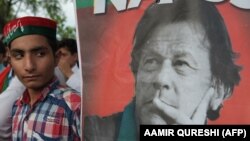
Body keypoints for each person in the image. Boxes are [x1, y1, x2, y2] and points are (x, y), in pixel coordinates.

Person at [84, 0, 241, 140]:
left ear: (219, 91)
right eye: (151, 61)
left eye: (181, 63)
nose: (161, 78)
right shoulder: (92, 133)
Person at [3, 16, 81, 140]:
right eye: (18, 55)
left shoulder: (75, 105)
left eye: (40, 54)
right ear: (10, 60)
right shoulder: (18, 106)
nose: (29, 66)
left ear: (56, 58)